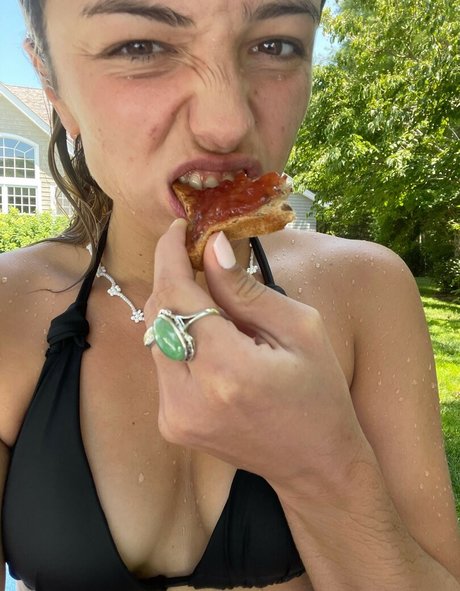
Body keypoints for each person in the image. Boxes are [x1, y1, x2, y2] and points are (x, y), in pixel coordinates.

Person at [1, 0, 459, 590]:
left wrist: (319, 466)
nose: (226, 124)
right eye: (140, 47)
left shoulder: (367, 289)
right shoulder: (10, 308)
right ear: (52, 85)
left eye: (275, 45)